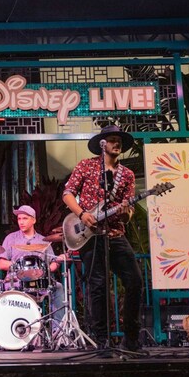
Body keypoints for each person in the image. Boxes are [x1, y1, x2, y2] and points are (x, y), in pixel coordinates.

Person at [62, 125, 144, 352]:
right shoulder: (87, 166)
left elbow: (127, 214)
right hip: (91, 236)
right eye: (112, 139)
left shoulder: (126, 174)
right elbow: (67, 193)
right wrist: (82, 214)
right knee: (98, 286)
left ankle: (131, 338)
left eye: (119, 140)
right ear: (102, 144)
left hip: (116, 233)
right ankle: (102, 339)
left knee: (135, 281)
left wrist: (127, 210)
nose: (116, 143)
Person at [0, 205, 67, 330]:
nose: (21, 222)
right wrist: (18, 267)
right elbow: (1, 264)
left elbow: (52, 263)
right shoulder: (11, 238)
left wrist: (55, 263)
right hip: (16, 281)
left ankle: (57, 330)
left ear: (33, 220)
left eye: (25, 218)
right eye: (19, 219)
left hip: (38, 282)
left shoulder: (44, 241)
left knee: (58, 287)